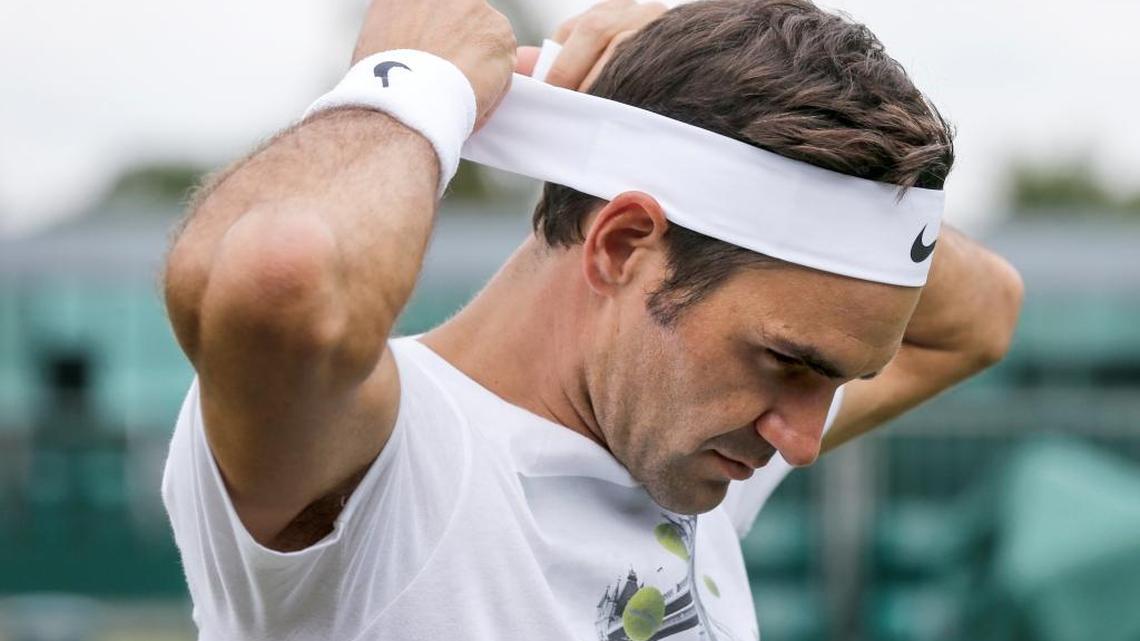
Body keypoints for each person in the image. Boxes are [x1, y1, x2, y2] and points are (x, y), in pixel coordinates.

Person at [159, 0, 1024, 639]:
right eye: (788, 360)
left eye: (836, 378)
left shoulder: (682, 445)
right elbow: (282, 283)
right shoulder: (385, 461)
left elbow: (985, 313)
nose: (801, 440)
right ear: (622, 246)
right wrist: (415, 86)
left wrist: (691, 92)